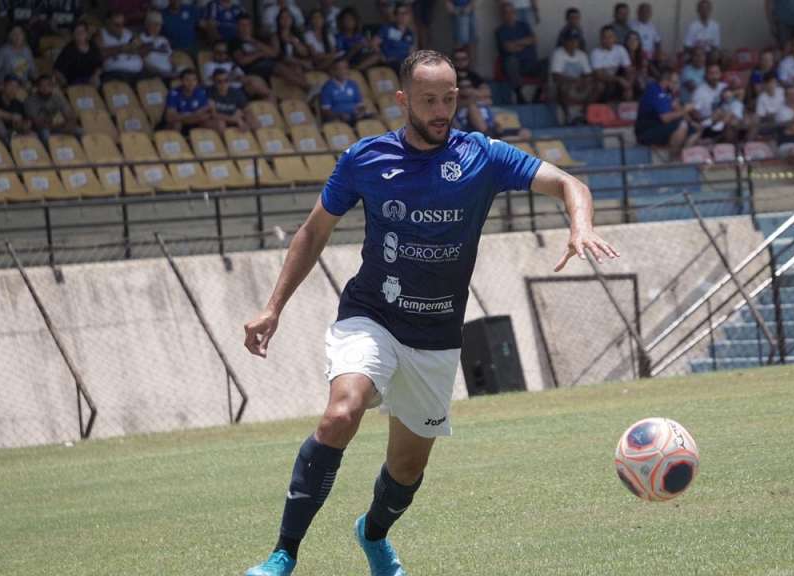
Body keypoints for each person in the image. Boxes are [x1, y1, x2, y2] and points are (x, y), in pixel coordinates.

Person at [240, 48, 619, 576]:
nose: (441, 111)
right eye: (428, 101)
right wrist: (272, 307)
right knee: (340, 415)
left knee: (407, 466)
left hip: (436, 336)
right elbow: (313, 231)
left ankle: (372, 534)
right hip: (370, 315)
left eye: (448, 99)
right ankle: (284, 554)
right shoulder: (365, 160)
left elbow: (568, 183)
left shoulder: (482, 155)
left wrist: (580, 225)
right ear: (402, 101)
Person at [635, 70, 698, 156]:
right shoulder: (655, 91)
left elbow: (677, 109)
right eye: (675, 82)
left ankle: (683, 157)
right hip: (646, 132)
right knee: (682, 124)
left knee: (694, 129)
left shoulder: (668, 93)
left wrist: (690, 121)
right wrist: (684, 110)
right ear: (665, 81)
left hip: (660, 128)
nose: (677, 85)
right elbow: (665, 118)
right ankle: (672, 159)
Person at [495, 1, 546, 104]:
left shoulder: (524, 26)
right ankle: (519, 94)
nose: (509, 15)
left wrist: (517, 43)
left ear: (515, 13)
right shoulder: (500, 30)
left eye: (511, 12)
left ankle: (538, 94)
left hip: (530, 63)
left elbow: (534, 39)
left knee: (547, 63)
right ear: (502, 15)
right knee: (511, 62)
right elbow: (509, 48)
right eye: (506, 12)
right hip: (515, 67)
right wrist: (525, 43)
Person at [549, 29, 593, 124]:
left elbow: (588, 74)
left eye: (576, 40)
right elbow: (556, 77)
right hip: (561, 88)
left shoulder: (582, 54)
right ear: (564, 41)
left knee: (597, 86)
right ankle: (568, 116)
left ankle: (584, 113)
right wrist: (574, 81)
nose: (574, 43)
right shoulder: (558, 53)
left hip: (578, 87)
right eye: (571, 40)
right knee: (562, 86)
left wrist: (583, 82)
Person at [204, 41, 272, 100]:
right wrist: (234, 77)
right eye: (218, 52)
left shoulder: (231, 64)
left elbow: (241, 77)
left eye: (225, 52)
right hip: (226, 91)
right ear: (213, 52)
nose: (222, 55)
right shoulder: (209, 65)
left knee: (258, 84)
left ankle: (274, 105)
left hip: (240, 89)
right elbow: (216, 80)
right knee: (254, 81)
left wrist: (237, 77)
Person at [24, 72, 79, 142]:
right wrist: (59, 124)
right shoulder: (30, 101)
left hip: (58, 127)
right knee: (45, 134)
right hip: (40, 129)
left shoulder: (57, 98)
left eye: (48, 85)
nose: (45, 88)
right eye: (42, 86)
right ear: (37, 87)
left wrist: (69, 124)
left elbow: (69, 114)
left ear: (52, 87)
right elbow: (37, 123)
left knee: (79, 131)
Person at [0, 74, 33, 142]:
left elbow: (24, 122)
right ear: (3, 86)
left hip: (12, 133)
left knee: (32, 135)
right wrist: (10, 116)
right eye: (10, 85)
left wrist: (25, 124)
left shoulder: (18, 103)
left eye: (16, 87)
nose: (13, 89)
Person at [97, 11, 145, 83]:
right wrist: (122, 48)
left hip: (138, 72)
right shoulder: (100, 34)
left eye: (122, 24)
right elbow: (99, 54)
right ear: (108, 22)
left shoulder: (128, 32)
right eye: (117, 25)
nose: (121, 27)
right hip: (116, 73)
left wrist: (137, 47)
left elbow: (142, 48)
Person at [589, 26, 633, 103]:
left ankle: (628, 111)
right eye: (605, 37)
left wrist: (628, 85)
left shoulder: (620, 49)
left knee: (632, 81)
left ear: (615, 38)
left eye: (610, 37)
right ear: (601, 39)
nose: (608, 40)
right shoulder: (596, 53)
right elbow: (599, 75)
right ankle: (587, 108)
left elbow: (628, 69)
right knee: (600, 86)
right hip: (602, 81)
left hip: (616, 80)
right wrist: (619, 79)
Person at [320, 57, 369, 125]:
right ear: (334, 71)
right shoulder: (328, 87)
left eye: (346, 68)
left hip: (355, 116)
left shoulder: (353, 84)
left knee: (375, 117)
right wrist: (339, 115)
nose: (344, 71)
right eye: (340, 68)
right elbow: (325, 111)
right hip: (339, 118)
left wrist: (361, 113)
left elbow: (360, 105)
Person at [54, 21, 103, 87]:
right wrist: (65, 84)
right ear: (73, 35)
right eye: (77, 32)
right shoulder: (68, 50)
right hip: (73, 82)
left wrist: (95, 76)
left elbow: (99, 65)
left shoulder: (93, 46)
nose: (80, 34)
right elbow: (57, 70)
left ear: (86, 33)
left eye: (82, 31)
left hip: (91, 80)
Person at [165, 68, 214, 133]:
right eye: (187, 80)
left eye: (194, 80)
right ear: (181, 81)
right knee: (176, 124)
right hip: (181, 123)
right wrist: (193, 115)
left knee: (215, 123)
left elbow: (207, 114)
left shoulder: (201, 92)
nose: (191, 83)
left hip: (196, 121)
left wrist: (192, 116)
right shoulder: (174, 94)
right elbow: (170, 117)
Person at [376, 3, 417, 74]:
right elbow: (374, 44)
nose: (403, 16)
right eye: (400, 13)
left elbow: (412, 51)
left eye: (405, 13)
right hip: (391, 61)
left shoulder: (410, 33)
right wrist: (382, 56)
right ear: (395, 16)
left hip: (404, 62)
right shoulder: (388, 28)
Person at [141, 10, 175, 79]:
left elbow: (171, 58)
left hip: (170, 73)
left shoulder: (163, 39)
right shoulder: (141, 38)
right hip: (154, 75)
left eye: (159, 24)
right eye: (155, 24)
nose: (158, 27)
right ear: (147, 24)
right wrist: (160, 72)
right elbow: (142, 61)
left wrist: (174, 69)